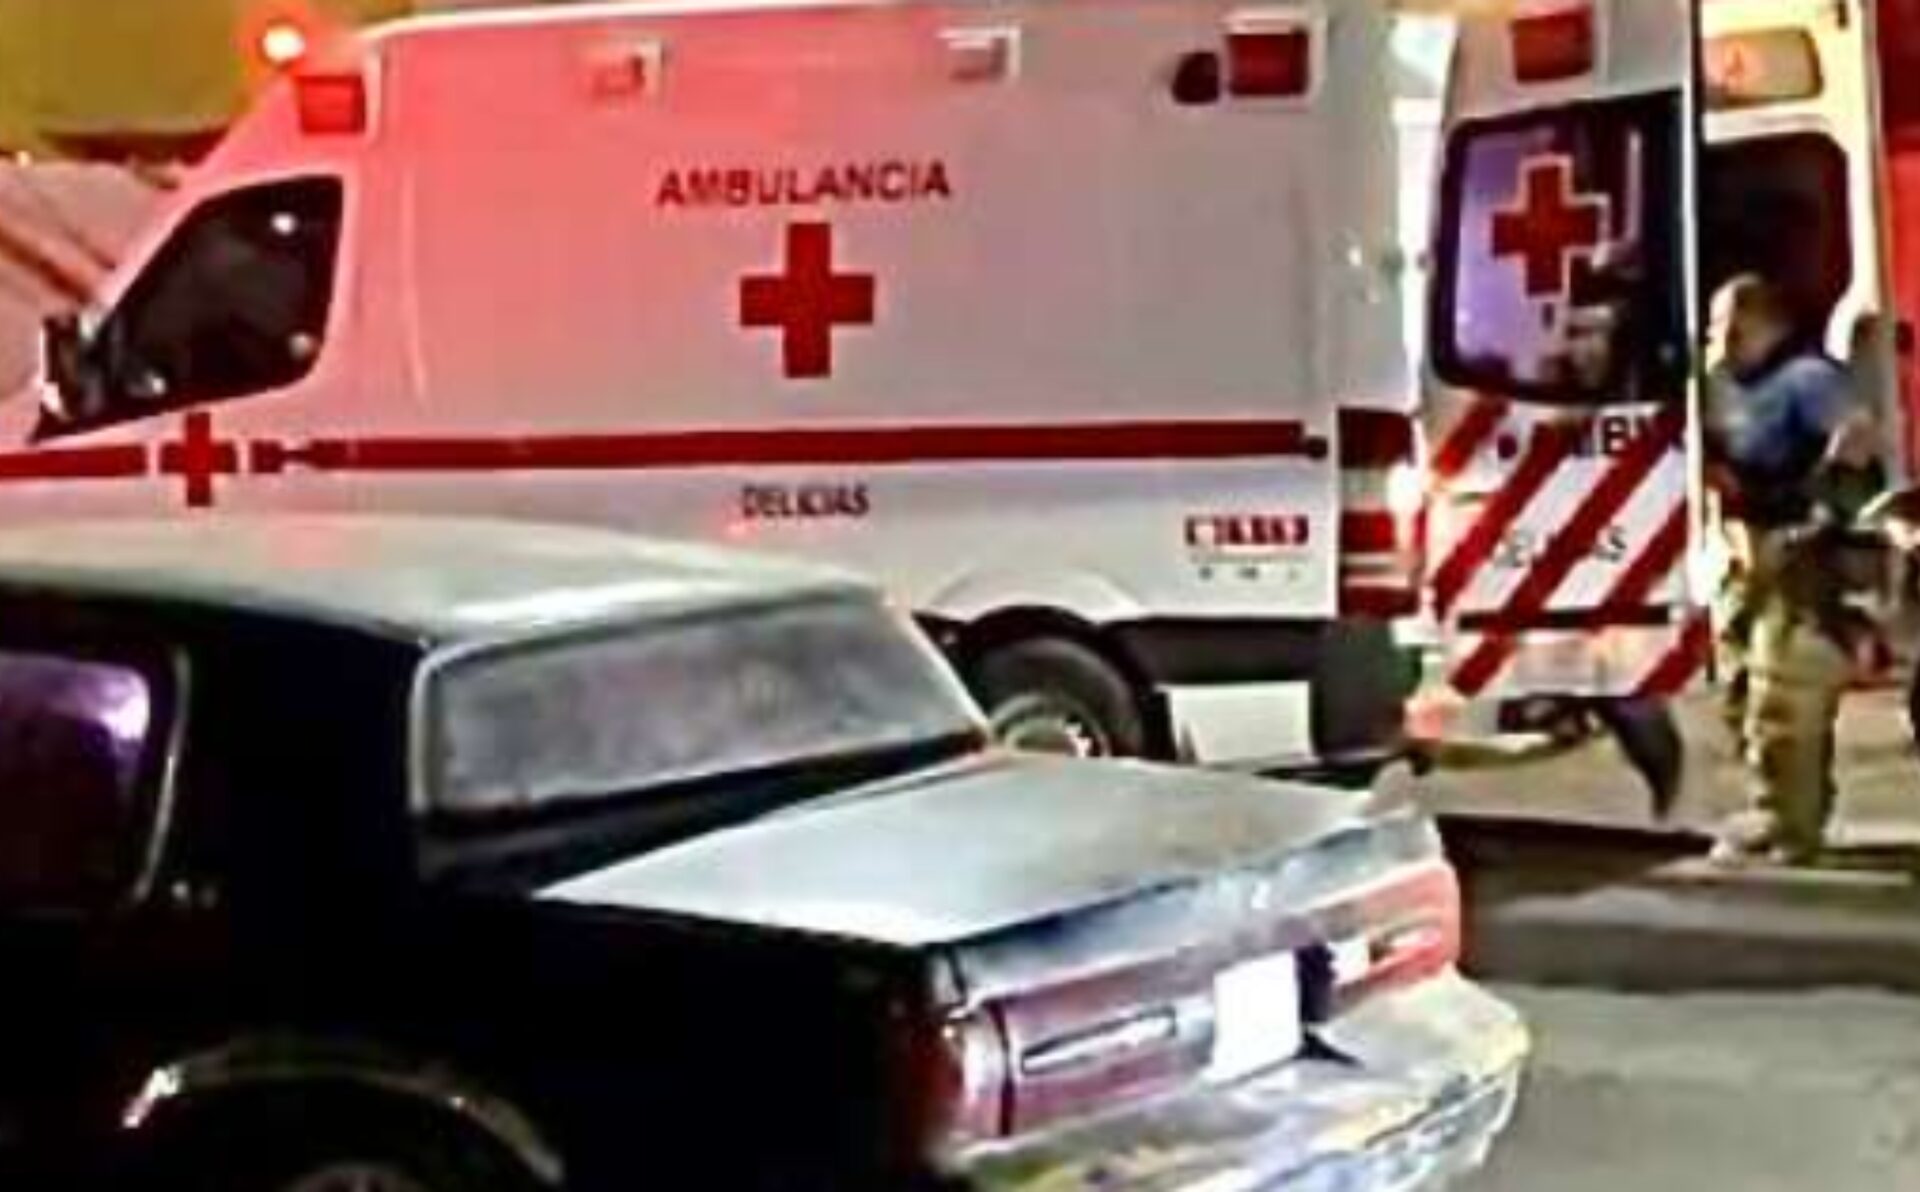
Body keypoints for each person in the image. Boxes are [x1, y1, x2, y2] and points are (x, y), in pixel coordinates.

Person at [1702, 274, 1885, 864]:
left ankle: (1791, 822)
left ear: (1765, 324)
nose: (1718, 338)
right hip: (1742, 549)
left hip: (1801, 552)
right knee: (1739, 687)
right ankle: (1771, 803)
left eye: (1730, 326)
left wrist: (1817, 507)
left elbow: (1856, 437)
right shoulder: (1720, 382)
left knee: (1785, 694)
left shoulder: (1806, 380)